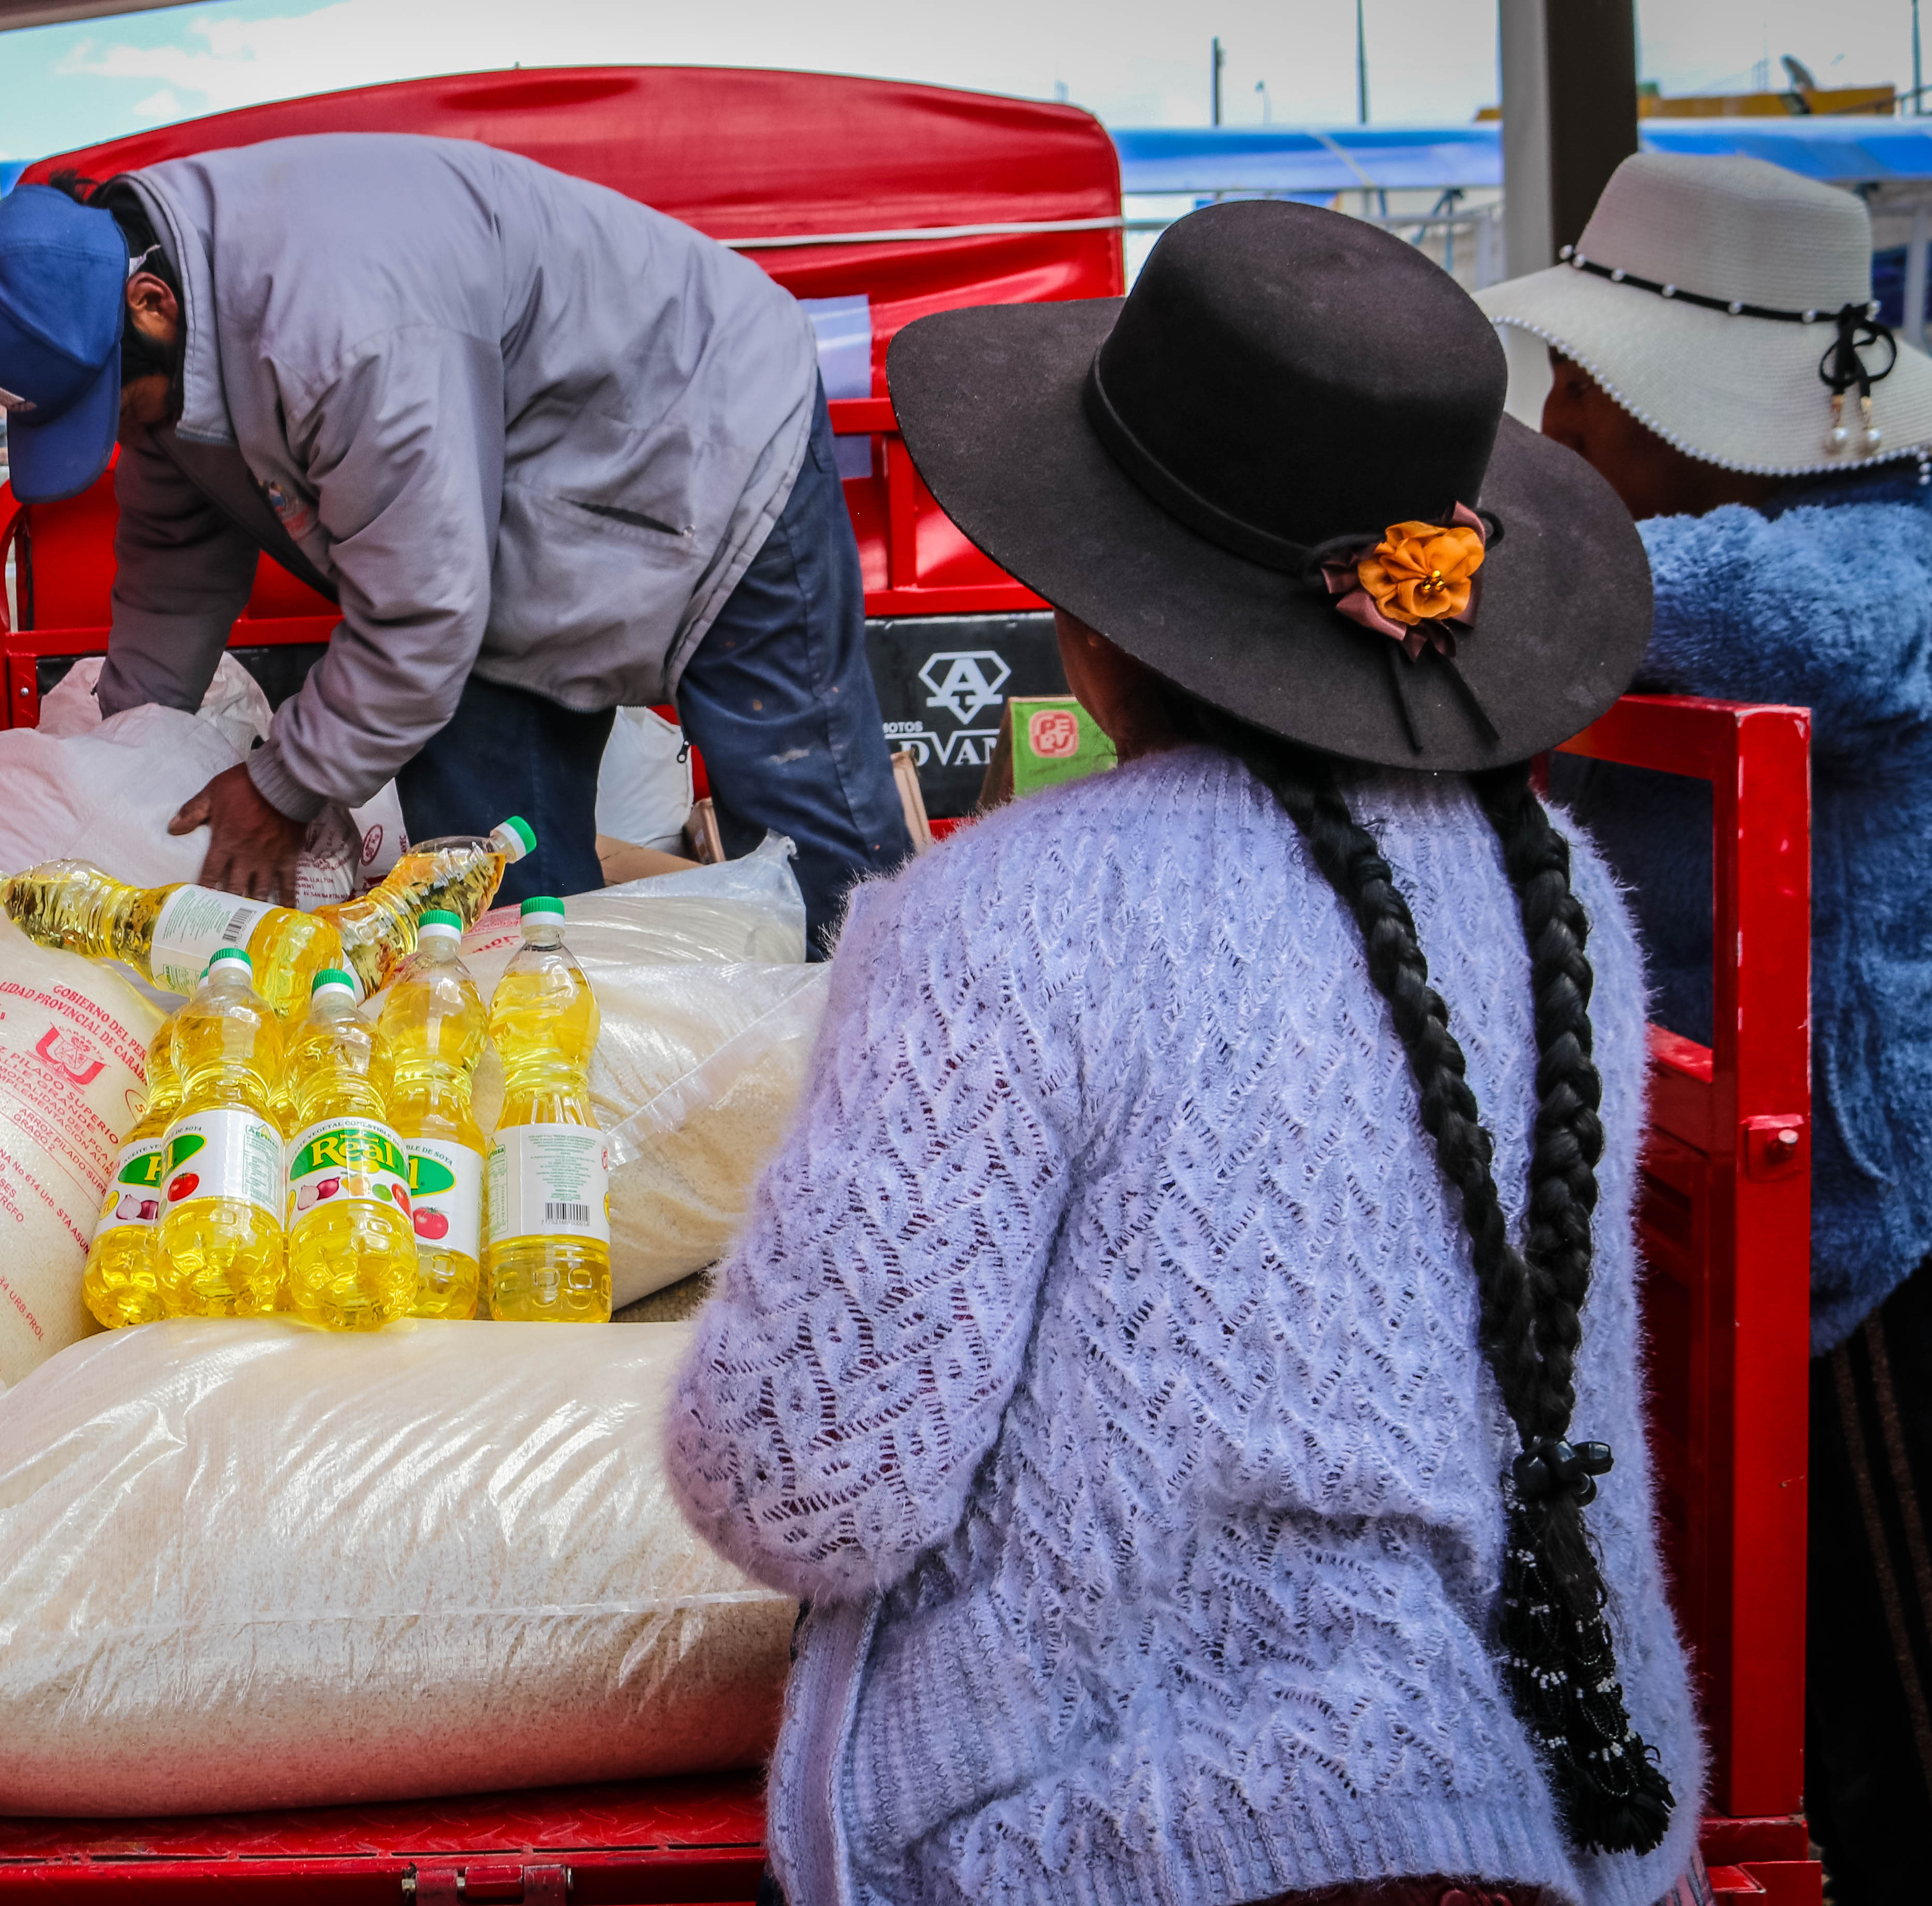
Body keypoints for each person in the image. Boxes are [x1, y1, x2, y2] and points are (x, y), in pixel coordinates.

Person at [668, 199, 1709, 1906]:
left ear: (1093, 614)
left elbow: (811, 1486)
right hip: (1541, 1829)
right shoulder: (1564, 901)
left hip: (1079, 1848)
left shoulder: (999, 917)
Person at [1481, 149, 1932, 1905]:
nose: (1549, 414)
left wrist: (1489, 552)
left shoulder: (1906, 562)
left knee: (1922, 1745)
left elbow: (1786, 614)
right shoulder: (1689, 562)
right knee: (1792, 1725)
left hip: (1871, 1243)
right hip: (1739, 1223)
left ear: (1710, 411)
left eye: (1584, 385)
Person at [0, 137, 913, 954]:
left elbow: (423, 613)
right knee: (487, 874)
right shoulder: (167, 359)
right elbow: (170, 579)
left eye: (116, 406)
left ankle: (916, 1089)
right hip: (508, 522)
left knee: (802, 829)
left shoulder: (340, 325)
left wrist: (280, 788)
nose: (121, 435)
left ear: (151, 306)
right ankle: (587, 1106)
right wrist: (122, 769)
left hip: (703, 439)